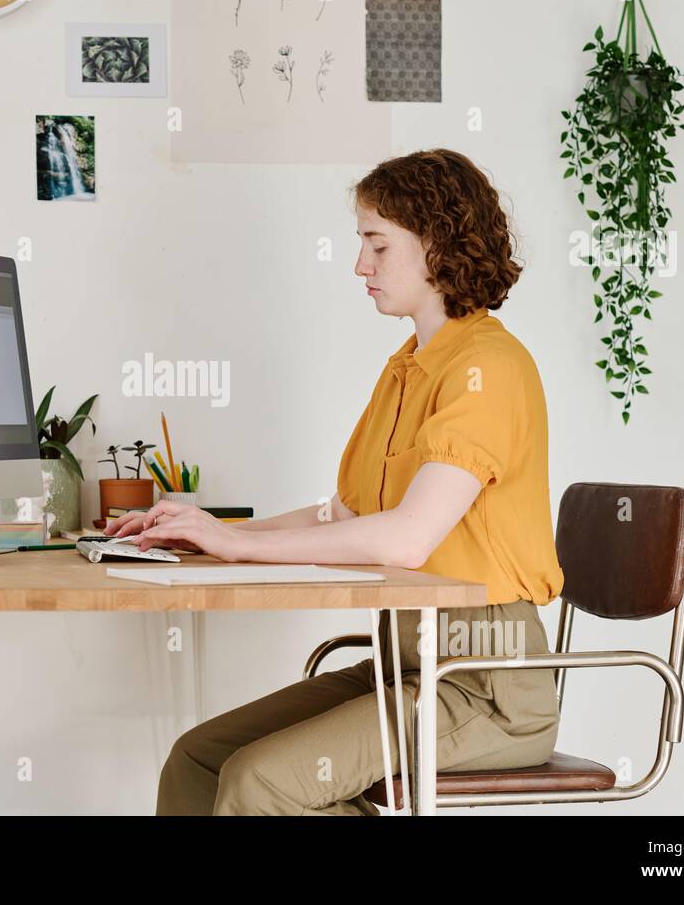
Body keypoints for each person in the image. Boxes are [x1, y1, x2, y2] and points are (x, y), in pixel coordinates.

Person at [103, 149, 565, 816]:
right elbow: (341, 516)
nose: (360, 265)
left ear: (436, 242)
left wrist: (237, 549)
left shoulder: (487, 369)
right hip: (408, 661)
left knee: (262, 786)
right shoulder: (408, 367)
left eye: (377, 245)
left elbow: (406, 540)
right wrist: (208, 533)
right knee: (199, 761)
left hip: (481, 682)